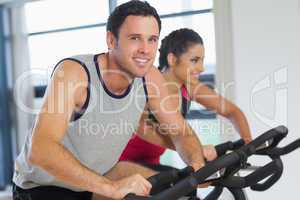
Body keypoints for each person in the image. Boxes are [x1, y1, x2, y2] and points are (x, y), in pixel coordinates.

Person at [12, 2, 208, 200]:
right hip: (41, 189)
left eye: (152, 40)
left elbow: (180, 132)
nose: (145, 49)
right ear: (111, 40)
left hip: (96, 179)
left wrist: (196, 163)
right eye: (135, 38)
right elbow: (41, 150)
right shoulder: (75, 73)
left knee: (179, 190)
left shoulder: (150, 76)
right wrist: (111, 188)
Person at [119, 28, 253, 170]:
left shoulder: (188, 87)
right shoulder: (148, 84)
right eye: (194, 60)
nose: (201, 68)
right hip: (121, 165)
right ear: (172, 59)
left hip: (152, 164)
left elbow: (232, 111)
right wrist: (195, 150)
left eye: (202, 60)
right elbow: (142, 128)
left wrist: (248, 143)